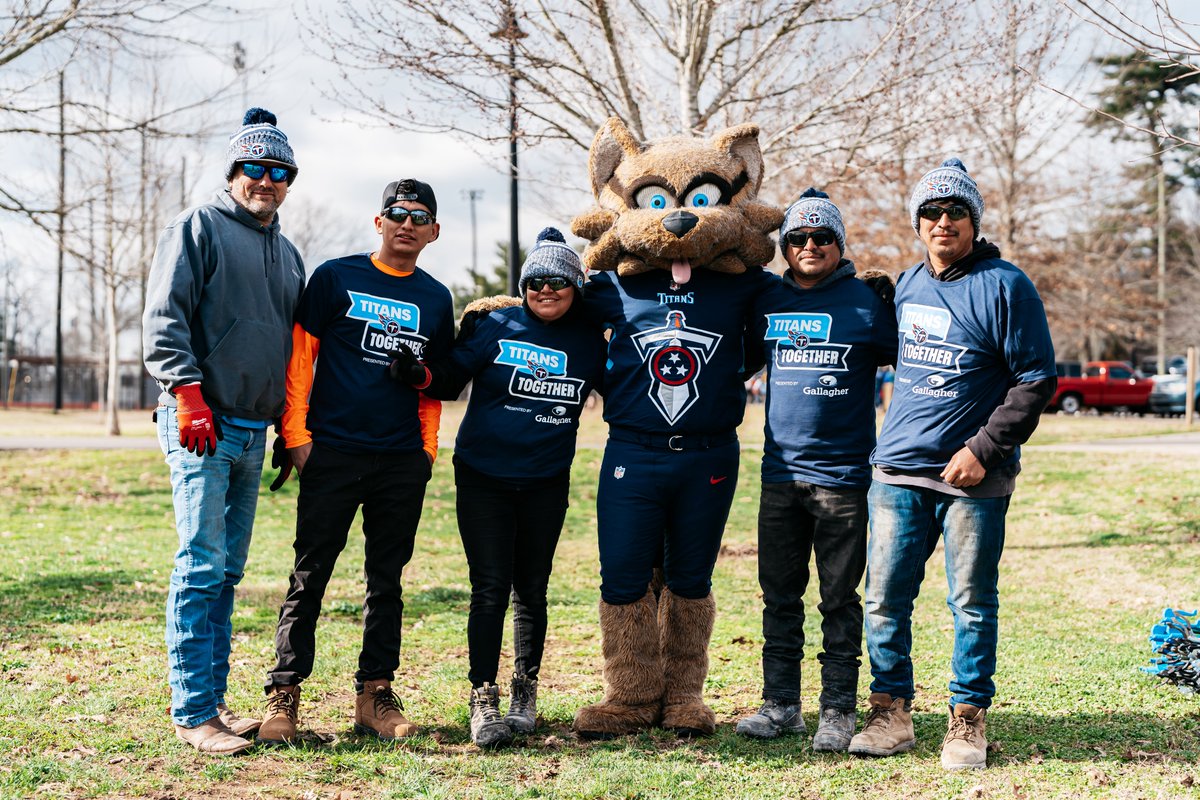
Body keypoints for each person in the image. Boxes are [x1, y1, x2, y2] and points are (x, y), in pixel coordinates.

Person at [847, 159, 1056, 769]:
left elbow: (1036, 379)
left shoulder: (1005, 284)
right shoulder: (909, 284)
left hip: (974, 477)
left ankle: (967, 720)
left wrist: (981, 450)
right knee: (883, 599)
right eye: (932, 213)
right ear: (918, 224)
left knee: (970, 602)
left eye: (955, 212)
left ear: (973, 220)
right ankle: (890, 714)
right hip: (896, 473)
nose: (943, 222)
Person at [391, 228, 605, 749]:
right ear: (523, 285)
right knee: (489, 589)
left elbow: (624, 392)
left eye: (558, 280)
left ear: (576, 286)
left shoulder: (589, 338)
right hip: (484, 477)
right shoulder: (495, 325)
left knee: (531, 589)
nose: (545, 289)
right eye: (535, 280)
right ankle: (482, 697)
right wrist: (417, 372)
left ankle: (523, 691)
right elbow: (448, 377)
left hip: (545, 481)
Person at [257, 179, 454, 744]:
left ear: (433, 232)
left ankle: (374, 695)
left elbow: (432, 384)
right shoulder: (336, 277)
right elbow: (301, 358)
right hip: (333, 452)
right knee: (309, 574)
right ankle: (285, 695)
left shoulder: (436, 298)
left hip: (399, 459)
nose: (406, 223)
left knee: (385, 580)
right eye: (396, 213)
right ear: (379, 221)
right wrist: (296, 434)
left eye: (419, 217)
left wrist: (425, 451)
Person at [142, 107, 305, 755]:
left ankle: (212, 702)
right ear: (234, 171)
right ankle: (192, 713)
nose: (265, 180)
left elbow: (293, 350)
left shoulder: (287, 253)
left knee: (228, 572)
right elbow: (164, 319)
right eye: (255, 169)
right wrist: (187, 395)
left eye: (279, 173)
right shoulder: (197, 226)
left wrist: (287, 430)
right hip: (199, 423)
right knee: (201, 566)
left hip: (251, 431)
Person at [737, 189, 897, 750]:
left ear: (838, 244)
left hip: (843, 479)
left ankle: (837, 709)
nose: (809, 246)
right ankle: (781, 705)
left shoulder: (867, 303)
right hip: (779, 473)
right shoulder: (767, 299)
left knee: (839, 598)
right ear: (784, 247)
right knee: (779, 596)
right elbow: (735, 358)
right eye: (798, 239)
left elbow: (919, 358)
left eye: (821, 238)